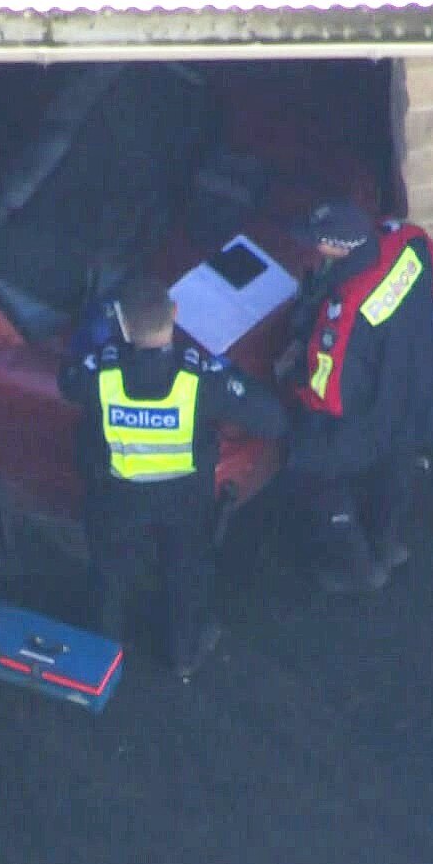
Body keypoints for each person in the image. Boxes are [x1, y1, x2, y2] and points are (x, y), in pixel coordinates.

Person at [58, 274, 286, 679]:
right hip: (184, 501)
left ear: (122, 324)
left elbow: (67, 382)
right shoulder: (200, 377)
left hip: (117, 498)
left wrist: (96, 341)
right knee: (184, 576)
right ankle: (183, 655)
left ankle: (104, 655)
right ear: (175, 314)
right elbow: (271, 419)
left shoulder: (98, 374)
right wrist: (231, 375)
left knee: (109, 576)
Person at [277, 199, 433, 593]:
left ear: (336, 248)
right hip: (420, 383)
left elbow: (326, 392)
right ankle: (388, 545)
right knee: (398, 464)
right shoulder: (409, 242)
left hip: (374, 405)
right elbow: (432, 268)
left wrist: (292, 377)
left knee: (315, 467)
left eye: (319, 242)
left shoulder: (345, 310)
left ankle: (358, 568)